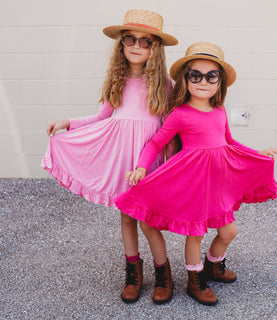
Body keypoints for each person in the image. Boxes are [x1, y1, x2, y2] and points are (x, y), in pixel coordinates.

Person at [114, 42, 277, 306]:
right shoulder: (180, 114)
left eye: (211, 76)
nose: (203, 82)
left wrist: (258, 155)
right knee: (196, 233)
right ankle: (195, 281)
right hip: (195, 185)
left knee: (229, 232)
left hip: (217, 185)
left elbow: (230, 143)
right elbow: (156, 143)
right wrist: (143, 167)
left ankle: (213, 266)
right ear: (186, 79)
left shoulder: (220, 112)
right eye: (196, 75)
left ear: (220, 82)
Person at [41, 9, 178, 304]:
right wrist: (69, 123)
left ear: (155, 48)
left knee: (148, 221)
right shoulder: (117, 79)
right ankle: (133, 272)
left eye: (145, 41)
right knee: (127, 218)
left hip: (149, 159)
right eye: (131, 40)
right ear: (122, 44)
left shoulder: (164, 84)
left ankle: (163, 273)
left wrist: (173, 164)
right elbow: (102, 116)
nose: (137, 46)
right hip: (122, 158)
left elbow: (170, 127)